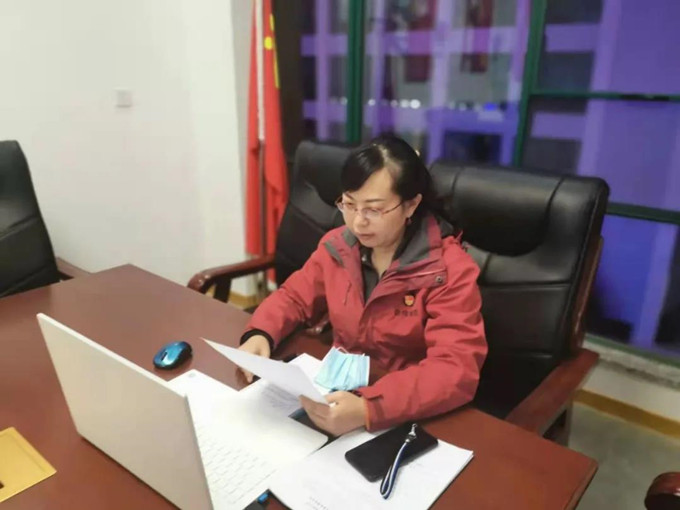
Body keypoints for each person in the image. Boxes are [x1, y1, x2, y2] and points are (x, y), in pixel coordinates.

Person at [238, 135, 487, 435]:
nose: (357, 223)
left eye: (373, 209)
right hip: (336, 391)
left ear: (411, 205)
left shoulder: (448, 270)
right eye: (349, 204)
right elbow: (295, 297)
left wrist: (370, 408)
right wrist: (261, 332)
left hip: (406, 411)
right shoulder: (338, 247)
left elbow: (454, 369)